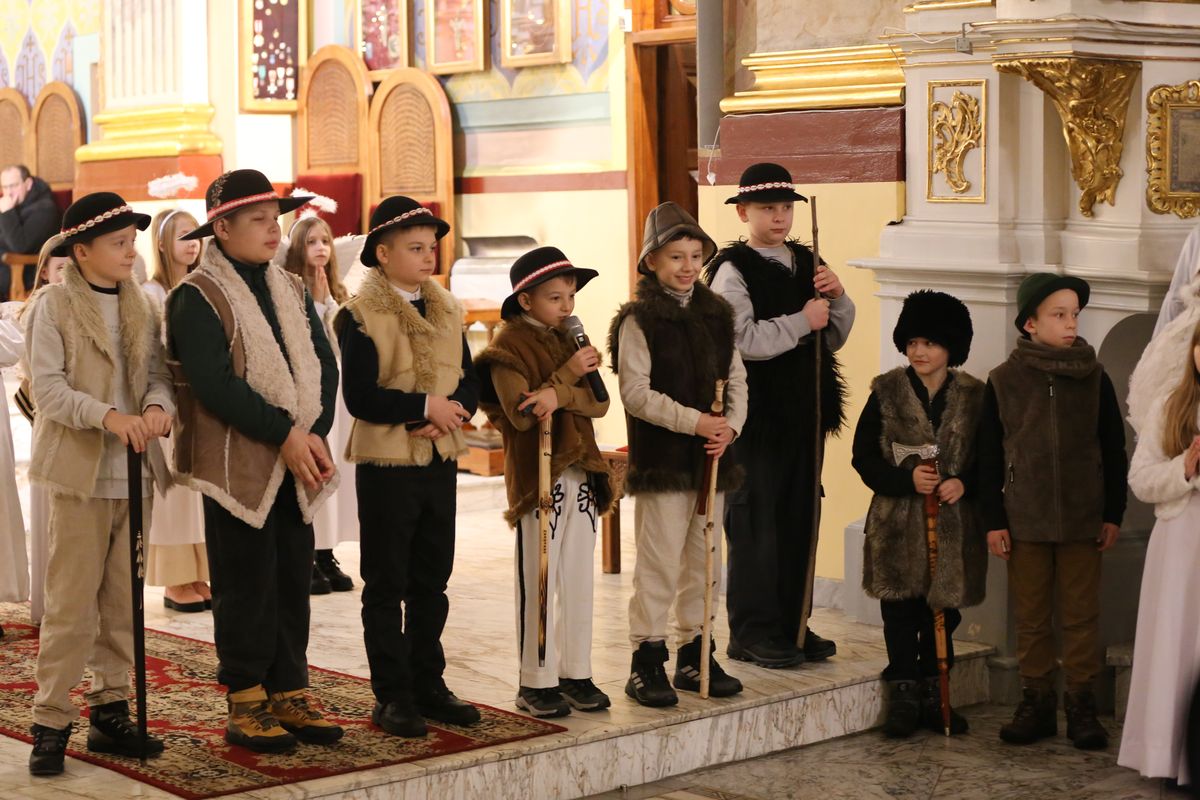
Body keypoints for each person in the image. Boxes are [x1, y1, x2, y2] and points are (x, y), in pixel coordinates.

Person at [166, 169, 343, 753]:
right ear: (222, 227)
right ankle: (245, 700)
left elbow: (322, 362)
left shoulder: (288, 285)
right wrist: (284, 433)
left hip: (296, 456)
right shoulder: (196, 295)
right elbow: (215, 384)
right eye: (259, 220)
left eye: (276, 219)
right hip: (237, 461)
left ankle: (290, 689)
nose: (274, 230)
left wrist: (311, 432)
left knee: (292, 577)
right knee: (245, 582)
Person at [23, 193, 175, 775]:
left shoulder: (142, 304)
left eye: (132, 242)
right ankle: (51, 719)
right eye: (118, 243)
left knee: (123, 602)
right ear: (81, 251)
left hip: (134, 473)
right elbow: (48, 389)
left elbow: (158, 374)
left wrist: (157, 406)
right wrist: (108, 416)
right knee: (71, 603)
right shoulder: (53, 306)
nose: (131, 252)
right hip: (79, 474)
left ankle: (110, 708)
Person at [335, 196, 481, 737]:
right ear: (382, 253)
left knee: (432, 579)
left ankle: (428, 683)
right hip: (387, 464)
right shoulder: (360, 314)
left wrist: (454, 409)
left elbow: (469, 380)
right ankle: (392, 694)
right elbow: (361, 397)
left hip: (439, 458)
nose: (427, 256)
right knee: (386, 581)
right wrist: (424, 406)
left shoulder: (448, 307)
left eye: (431, 247)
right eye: (415, 248)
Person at [703, 162, 854, 668]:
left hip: (804, 413)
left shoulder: (808, 260)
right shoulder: (732, 271)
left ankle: (794, 624)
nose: (780, 217)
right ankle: (751, 632)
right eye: (768, 208)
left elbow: (835, 333)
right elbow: (741, 340)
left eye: (786, 207)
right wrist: (801, 321)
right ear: (743, 212)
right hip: (756, 417)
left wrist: (838, 297)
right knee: (755, 522)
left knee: (799, 517)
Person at [977, 273, 1127, 750]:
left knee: (1081, 616)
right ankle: (1036, 702)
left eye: (1074, 315)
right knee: (1033, 616)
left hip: (1084, 517)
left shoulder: (1095, 377)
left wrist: (1113, 512)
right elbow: (987, 456)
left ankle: (1081, 704)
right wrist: (994, 521)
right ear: (1030, 323)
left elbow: (1114, 446)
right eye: (1058, 315)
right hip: (1026, 518)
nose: (1070, 324)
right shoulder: (1003, 381)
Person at [608, 202, 747, 707]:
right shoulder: (638, 320)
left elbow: (737, 379)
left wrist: (730, 427)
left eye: (694, 256)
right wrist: (696, 422)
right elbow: (635, 393)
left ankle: (696, 651)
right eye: (675, 257)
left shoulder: (717, 314)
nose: (687, 267)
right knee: (659, 562)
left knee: (704, 561)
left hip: (711, 459)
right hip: (664, 462)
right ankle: (646, 659)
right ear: (652, 262)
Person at [474, 246, 613, 718]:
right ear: (526, 300)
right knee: (540, 577)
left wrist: (560, 392)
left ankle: (576, 671)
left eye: (571, 297)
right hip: (540, 476)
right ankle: (535, 680)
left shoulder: (569, 338)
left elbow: (598, 403)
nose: (567, 307)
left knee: (577, 577)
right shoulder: (507, 346)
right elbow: (523, 413)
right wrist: (565, 380)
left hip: (581, 470)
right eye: (556, 298)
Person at [851, 290, 986, 737]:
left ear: (952, 346)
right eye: (912, 342)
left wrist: (962, 483)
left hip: (952, 526)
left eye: (929, 342)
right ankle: (904, 691)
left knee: (944, 610)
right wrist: (905, 480)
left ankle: (934, 688)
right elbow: (863, 457)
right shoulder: (886, 392)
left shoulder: (973, 397)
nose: (919, 351)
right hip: (895, 523)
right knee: (900, 609)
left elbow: (989, 458)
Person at [1119, 305, 1200, 786]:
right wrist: (1184, 469)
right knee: (1177, 643)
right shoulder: (1171, 405)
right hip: (1181, 544)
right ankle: (1170, 755)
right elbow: (1142, 479)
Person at [142, 208, 210, 613]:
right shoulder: (152, 293)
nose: (192, 242)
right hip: (170, 398)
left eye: (196, 235)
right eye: (183, 235)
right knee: (175, 491)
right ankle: (175, 578)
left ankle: (199, 571)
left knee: (197, 490)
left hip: (201, 400)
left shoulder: (202, 287)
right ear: (163, 244)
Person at [284, 215, 357, 594]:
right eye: (312, 242)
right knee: (314, 468)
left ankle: (327, 552)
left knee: (337, 472)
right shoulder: (288, 289)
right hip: (309, 389)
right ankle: (309, 554)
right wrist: (317, 300)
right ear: (298, 248)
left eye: (325, 241)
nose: (320, 248)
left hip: (339, 390)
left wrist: (329, 300)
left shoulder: (339, 291)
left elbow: (340, 338)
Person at [13, 235, 70, 628]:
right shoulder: (37, 310)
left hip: (80, 422)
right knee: (51, 518)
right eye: (61, 269)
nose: (68, 276)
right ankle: (50, 608)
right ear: (45, 272)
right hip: (49, 422)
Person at [0, 165, 62, 299]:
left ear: (28, 184)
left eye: (13, 186)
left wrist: (7, 212)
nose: (9, 193)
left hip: (26, 271)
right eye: (5, 187)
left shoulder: (45, 209)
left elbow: (20, 247)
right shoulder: (13, 204)